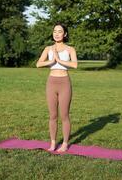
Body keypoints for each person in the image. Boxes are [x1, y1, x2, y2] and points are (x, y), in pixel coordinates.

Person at [36, 23, 78, 152]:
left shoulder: (70, 49)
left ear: (65, 34)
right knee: (53, 115)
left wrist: (59, 60)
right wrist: (51, 61)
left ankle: (65, 143)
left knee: (64, 115)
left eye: (60, 31)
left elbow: (75, 64)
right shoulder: (48, 48)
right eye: (55, 31)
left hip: (64, 82)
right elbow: (38, 64)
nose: (57, 33)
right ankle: (53, 143)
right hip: (51, 82)